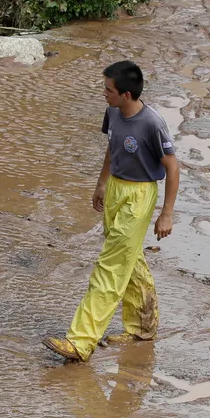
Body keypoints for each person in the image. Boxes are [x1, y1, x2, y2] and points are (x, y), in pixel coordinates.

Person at [43, 61, 180, 363]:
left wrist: (166, 213)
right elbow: (112, 146)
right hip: (116, 188)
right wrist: (101, 183)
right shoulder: (113, 112)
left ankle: (81, 341)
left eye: (108, 90)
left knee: (110, 266)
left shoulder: (151, 124)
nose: (103, 94)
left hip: (139, 195)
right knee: (129, 259)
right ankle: (143, 328)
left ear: (126, 95)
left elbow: (172, 167)